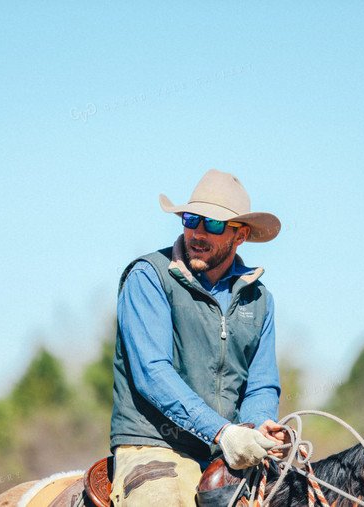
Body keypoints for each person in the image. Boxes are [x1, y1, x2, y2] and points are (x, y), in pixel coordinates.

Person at [109, 169, 287, 506]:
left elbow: (261, 386)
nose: (198, 232)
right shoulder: (148, 277)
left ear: (241, 235)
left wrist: (259, 427)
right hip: (153, 447)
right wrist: (223, 432)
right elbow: (153, 373)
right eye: (192, 219)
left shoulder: (259, 299)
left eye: (214, 224)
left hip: (228, 453)